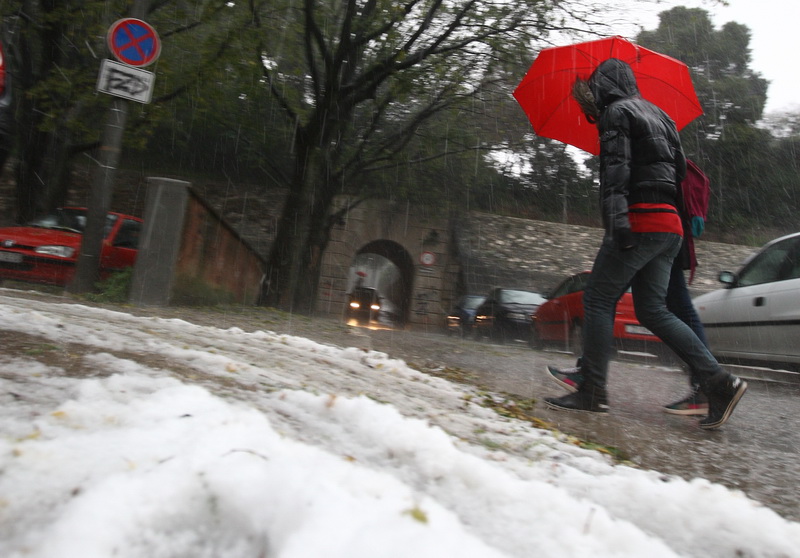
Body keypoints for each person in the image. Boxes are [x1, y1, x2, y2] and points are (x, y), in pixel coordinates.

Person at [542, 58, 746, 430]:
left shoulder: (616, 113)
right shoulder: (662, 116)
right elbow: (681, 170)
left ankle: (591, 392)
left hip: (639, 219)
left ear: (603, 87)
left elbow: (616, 173)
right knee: (654, 310)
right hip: (670, 226)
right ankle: (719, 382)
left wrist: (617, 223)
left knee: (598, 299)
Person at [548, 159, 712, 416]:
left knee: (605, 298)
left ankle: (710, 383)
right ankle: (710, 384)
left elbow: (636, 178)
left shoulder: (637, 128)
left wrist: (618, 219)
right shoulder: (659, 131)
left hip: (648, 225)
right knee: (667, 305)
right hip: (666, 226)